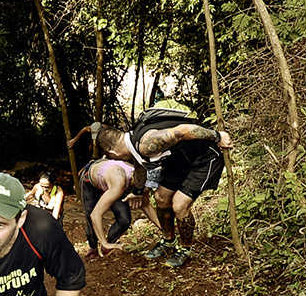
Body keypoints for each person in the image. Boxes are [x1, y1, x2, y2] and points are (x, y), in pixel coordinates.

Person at [92, 108, 233, 268]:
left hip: (204, 157)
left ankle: (185, 249)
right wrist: (138, 191)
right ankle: (168, 240)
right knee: (161, 197)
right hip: (180, 160)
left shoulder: (146, 144)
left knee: (179, 205)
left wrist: (217, 136)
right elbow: (141, 165)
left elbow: (182, 131)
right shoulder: (133, 142)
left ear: (112, 152)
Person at [78, 157, 141, 257]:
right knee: (91, 217)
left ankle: (108, 245)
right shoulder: (119, 183)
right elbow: (95, 215)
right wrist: (104, 243)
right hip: (90, 181)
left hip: (112, 183)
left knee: (124, 220)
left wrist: (164, 231)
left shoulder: (141, 180)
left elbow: (147, 206)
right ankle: (93, 247)